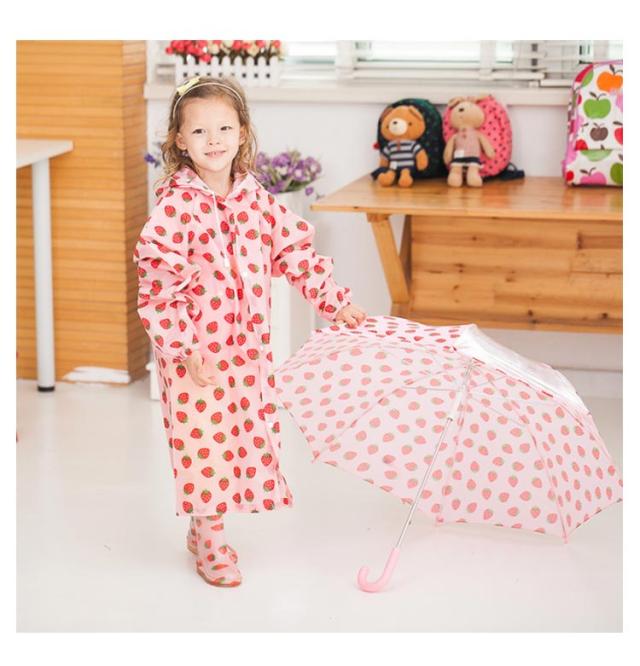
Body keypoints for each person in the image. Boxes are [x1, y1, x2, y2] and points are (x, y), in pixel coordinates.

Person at [133, 75, 367, 587]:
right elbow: (158, 287)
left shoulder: (254, 198)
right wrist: (184, 348)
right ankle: (211, 540)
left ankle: (202, 524)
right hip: (195, 355)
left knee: (235, 439)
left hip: (247, 351)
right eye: (199, 131)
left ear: (242, 132)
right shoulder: (175, 208)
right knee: (202, 443)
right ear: (179, 140)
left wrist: (334, 301)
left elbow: (295, 253)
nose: (213, 140)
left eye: (223, 128)